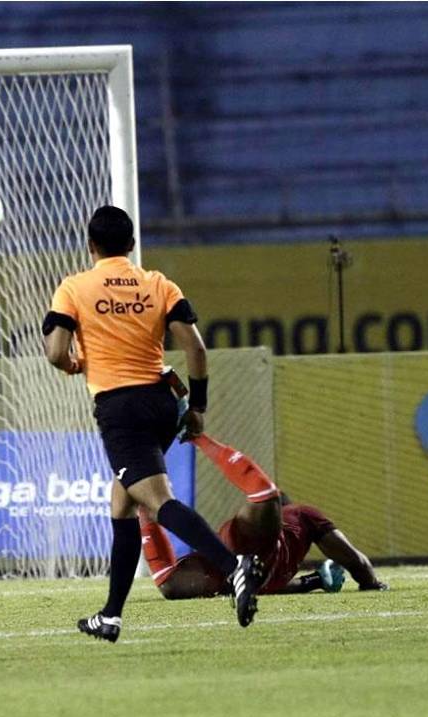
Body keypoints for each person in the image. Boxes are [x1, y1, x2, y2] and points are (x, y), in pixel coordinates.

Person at [43, 205, 265, 642]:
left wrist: (74, 366)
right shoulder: (158, 284)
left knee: (159, 501)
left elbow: (55, 352)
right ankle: (110, 615)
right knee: (123, 504)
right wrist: (197, 405)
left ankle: (233, 566)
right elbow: (196, 350)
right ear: (130, 246)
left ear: (91, 246)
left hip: (119, 409)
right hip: (162, 403)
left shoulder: (74, 288)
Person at [140, 433, 387, 600]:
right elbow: (357, 562)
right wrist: (371, 583)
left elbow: (267, 584)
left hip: (238, 557)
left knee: (171, 586)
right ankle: (197, 439)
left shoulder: (295, 529)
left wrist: (314, 581)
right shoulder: (299, 518)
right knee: (171, 586)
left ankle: (146, 509)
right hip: (241, 547)